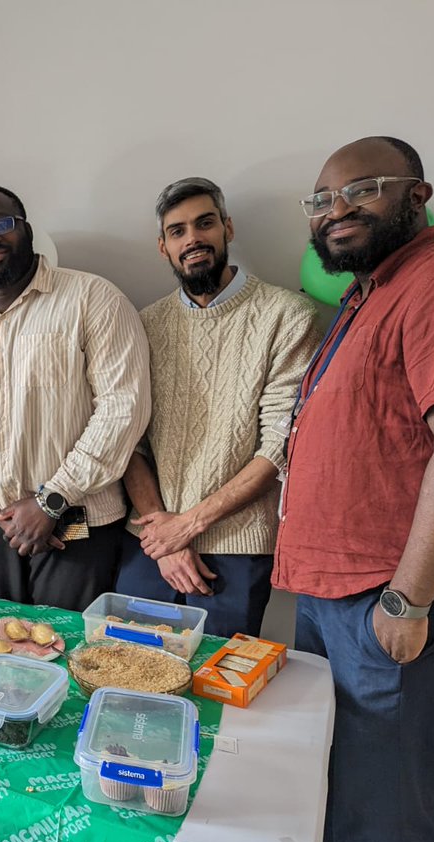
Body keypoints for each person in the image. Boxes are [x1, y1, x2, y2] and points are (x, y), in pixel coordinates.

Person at [276, 136, 434, 842]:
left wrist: (411, 598)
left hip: (390, 599)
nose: (335, 210)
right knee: (340, 792)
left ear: (416, 195)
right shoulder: (366, 297)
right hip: (336, 592)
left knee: (385, 812)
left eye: (359, 190)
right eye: (321, 199)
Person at [0, 184, 150, 609]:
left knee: (68, 655)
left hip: (77, 520)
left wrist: (51, 500)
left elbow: (123, 410)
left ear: (26, 230)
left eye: (1, 224)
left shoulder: (93, 300)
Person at [115, 177, 319, 637]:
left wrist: (187, 527)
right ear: (163, 247)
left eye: (205, 223)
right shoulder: (143, 324)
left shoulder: (286, 316)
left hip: (236, 543)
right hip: (149, 541)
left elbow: (280, 447)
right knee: (128, 671)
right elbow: (129, 442)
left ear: (227, 228)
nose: (193, 239)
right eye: (178, 231)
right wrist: (165, 540)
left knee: (215, 691)